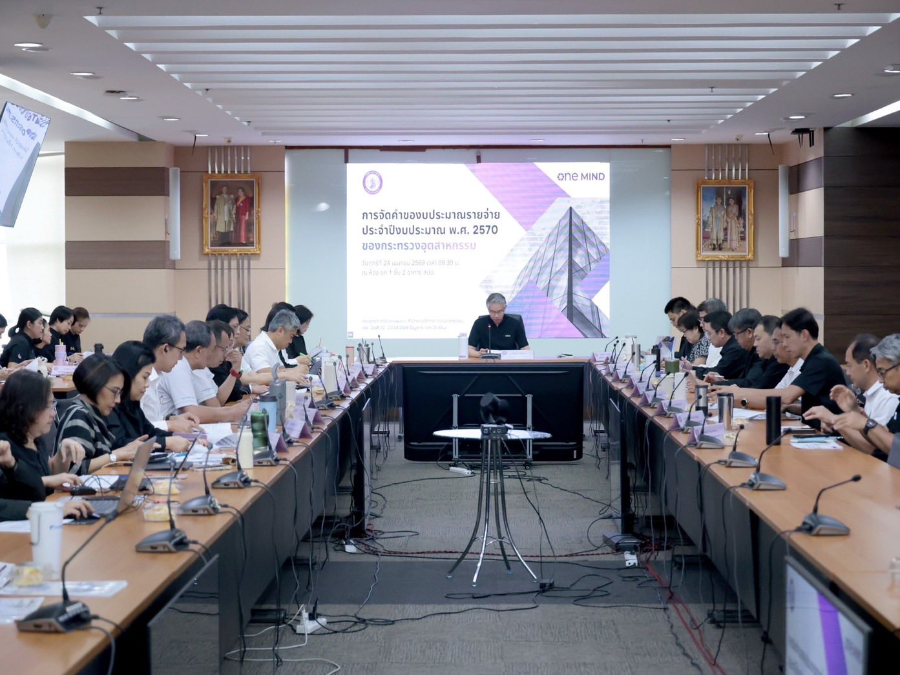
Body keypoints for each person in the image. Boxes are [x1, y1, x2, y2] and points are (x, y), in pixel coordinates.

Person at [712, 308, 845, 422]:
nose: (784, 344)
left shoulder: (820, 361)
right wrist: (790, 408)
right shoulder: (813, 359)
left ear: (804, 335)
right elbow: (809, 404)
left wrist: (739, 393)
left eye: (787, 337)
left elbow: (786, 396)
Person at [56, 354, 152, 474]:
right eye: (115, 392)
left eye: (120, 393)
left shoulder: (93, 415)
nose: (118, 400)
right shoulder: (79, 416)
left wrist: (126, 451)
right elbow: (74, 470)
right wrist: (117, 455)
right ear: (95, 384)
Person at [0, 370, 86, 501]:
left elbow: (52, 474)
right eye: (48, 406)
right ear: (26, 408)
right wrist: (47, 481)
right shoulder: (5, 446)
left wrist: (64, 454)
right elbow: (11, 491)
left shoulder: (35, 437)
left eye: (53, 405)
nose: (53, 413)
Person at [108, 341, 198, 454]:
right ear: (128, 374)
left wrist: (186, 440)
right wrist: (167, 442)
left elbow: (150, 432)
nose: (147, 384)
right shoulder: (109, 405)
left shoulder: (132, 403)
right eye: (144, 377)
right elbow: (120, 444)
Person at [158, 320, 251, 423]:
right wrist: (231, 412)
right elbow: (192, 412)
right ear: (198, 351)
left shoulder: (191, 367)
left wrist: (232, 410)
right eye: (212, 349)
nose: (225, 354)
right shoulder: (178, 367)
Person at [803, 334, 899, 430]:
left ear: (866, 365)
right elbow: (867, 433)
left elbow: (875, 438)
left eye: (849, 365)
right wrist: (853, 411)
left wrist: (833, 419)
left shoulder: (888, 396)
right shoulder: (872, 394)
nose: (847, 373)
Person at [830, 334, 900, 466]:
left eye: (882, 372)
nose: (880, 380)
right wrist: (857, 413)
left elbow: (893, 450)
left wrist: (866, 424)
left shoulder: (891, 397)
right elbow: (882, 439)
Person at [140, 315, 201, 434]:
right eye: (181, 351)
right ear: (165, 349)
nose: (181, 358)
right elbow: (137, 428)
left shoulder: (158, 375)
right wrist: (170, 425)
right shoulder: (140, 379)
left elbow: (150, 419)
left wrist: (172, 419)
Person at [717, 315, 789, 391]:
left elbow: (758, 389)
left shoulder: (780, 362)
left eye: (758, 339)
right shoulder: (768, 358)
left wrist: (736, 391)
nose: (755, 344)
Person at [243, 309, 308, 383]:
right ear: (280, 331)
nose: (291, 341)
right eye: (291, 336)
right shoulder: (259, 346)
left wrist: (294, 372)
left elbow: (280, 369)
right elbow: (263, 373)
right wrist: (293, 371)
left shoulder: (275, 346)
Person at [683, 310, 747, 380]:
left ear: (721, 333)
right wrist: (691, 367)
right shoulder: (730, 346)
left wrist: (692, 370)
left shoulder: (735, 349)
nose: (708, 338)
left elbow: (716, 374)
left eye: (709, 333)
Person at [704, 308, 761, 384]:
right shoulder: (750, 350)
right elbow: (745, 381)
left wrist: (719, 384)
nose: (735, 338)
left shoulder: (759, 353)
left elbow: (750, 383)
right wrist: (722, 382)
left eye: (736, 334)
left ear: (749, 332)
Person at [467, 293, 529, 357]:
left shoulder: (515, 323)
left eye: (499, 311)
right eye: (493, 312)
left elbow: (526, 348)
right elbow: (469, 350)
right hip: (487, 360)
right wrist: (479, 354)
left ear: (505, 308)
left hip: (509, 361)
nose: (496, 315)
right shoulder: (479, 323)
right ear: (488, 309)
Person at [697, 298, 727, 368]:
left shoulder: (727, 340)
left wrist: (692, 368)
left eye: (704, 319)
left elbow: (716, 370)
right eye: (700, 320)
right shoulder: (710, 336)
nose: (701, 324)